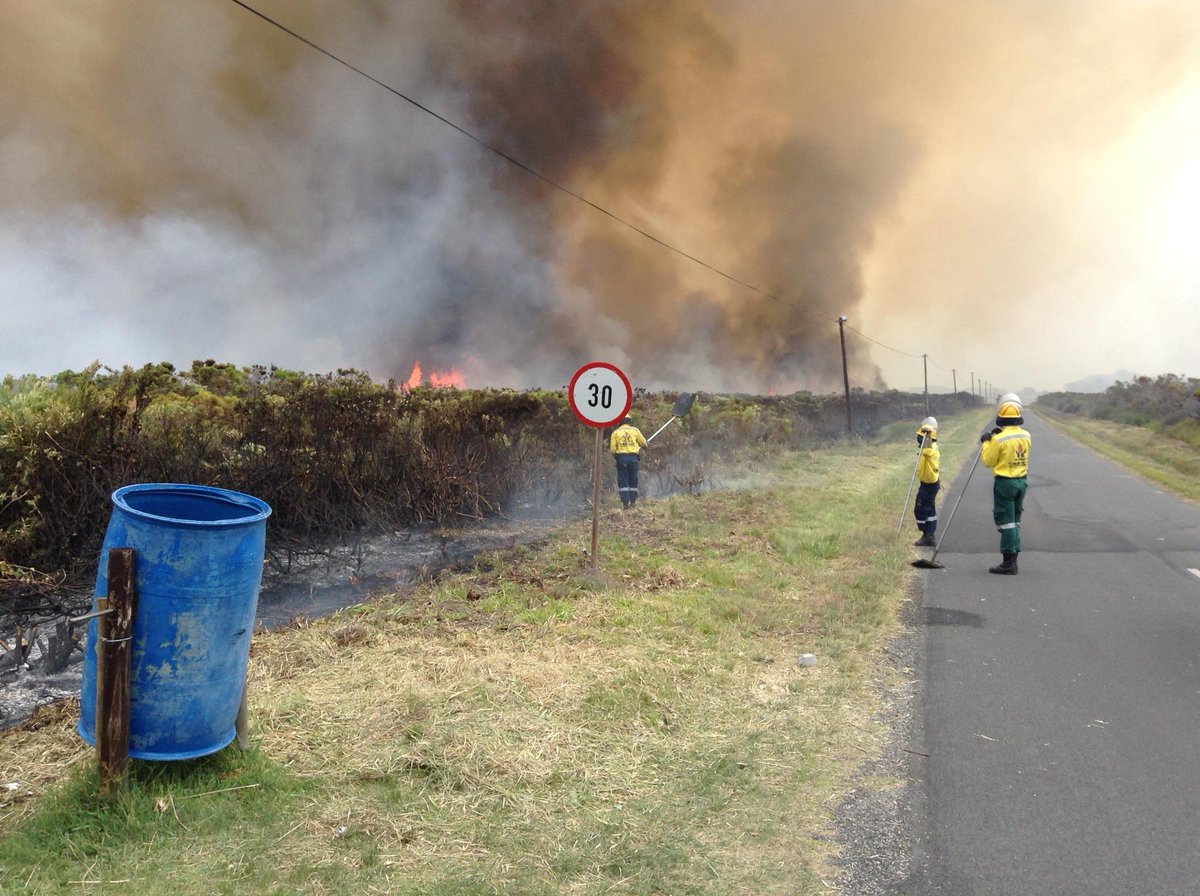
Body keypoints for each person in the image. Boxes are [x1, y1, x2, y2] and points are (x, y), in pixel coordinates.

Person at [980, 394, 1031, 575]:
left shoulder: (998, 440)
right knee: (1015, 521)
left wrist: (986, 442)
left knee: (1006, 522)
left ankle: (1008, 563)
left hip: (1005, 483)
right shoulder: (1026, 435)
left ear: (1001, 417)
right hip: (1021, 482)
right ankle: (1014, 558)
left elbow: (988, 461)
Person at [609, 416, 648, 508]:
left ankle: (626, 503)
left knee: (623, 480)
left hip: (621, 458)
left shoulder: (616, 432)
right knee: (633, 479)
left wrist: (617, 457)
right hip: (633, 458)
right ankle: (633, 502)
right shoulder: (635, 430)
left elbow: (613, 449)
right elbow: (644, 444)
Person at [913, 416, 941, 547]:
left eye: (922, 436)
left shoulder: (929, 449)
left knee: (920, 509)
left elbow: (927, 449)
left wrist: (925, 436)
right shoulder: (927, 448)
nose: (919, 438)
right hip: (929, 483)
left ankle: (927, 535)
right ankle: (929, 535)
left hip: (929, 485)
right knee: (929, 509)